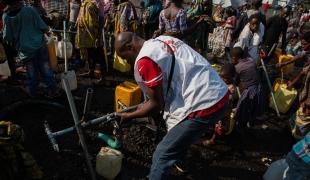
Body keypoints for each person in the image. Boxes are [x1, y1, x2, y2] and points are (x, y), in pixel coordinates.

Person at [114, 32, 229, 179]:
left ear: (130, 47)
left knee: (162, 154)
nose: (128, 63)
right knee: (178, 135)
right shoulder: (163, 40)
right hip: (218, 92)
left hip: (203, 103)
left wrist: (129, 116)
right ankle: (181, 161)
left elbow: (156, 105)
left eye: (125, 58)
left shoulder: (145, 61)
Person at [2, 0, 58, 97]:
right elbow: (43, 26)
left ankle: (31, 91)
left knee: (32, 73)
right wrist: (46, 32)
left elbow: (8, 37)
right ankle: (52, 90)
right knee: (46, 69)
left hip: (25, 50)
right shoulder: (30, 10)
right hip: (40, 44)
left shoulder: (6, 17)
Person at [231, 47, 264, 130]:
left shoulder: (238, 67)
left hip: (250, 91)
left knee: (244, 110)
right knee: (252, 108)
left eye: (232, 57)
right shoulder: (251, 60)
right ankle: (248, 122)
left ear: (234, 57)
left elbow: (235, 81)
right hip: (259, 88)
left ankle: (241, 127)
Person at [75, 0, 105, 78]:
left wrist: (98, 36)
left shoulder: (99, 2)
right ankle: (90, 71)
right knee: (89, 53)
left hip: (95, 34)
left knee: (98, 54)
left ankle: (103, 77)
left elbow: (101, 19)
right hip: (85, 34)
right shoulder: (84, 1)